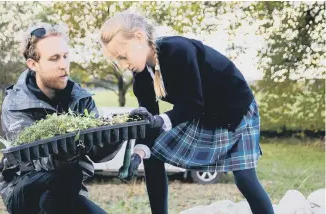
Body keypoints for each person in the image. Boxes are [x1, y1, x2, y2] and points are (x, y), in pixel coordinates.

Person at [99, 11, 274, 214]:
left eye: (122, 56)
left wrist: (159, 121)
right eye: (117, 61)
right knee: (152, 155)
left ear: (138, 37)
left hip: (237, 111)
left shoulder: (177, 51)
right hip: (205, 114)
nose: (122, 65)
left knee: (245, 179)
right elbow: (150, 118)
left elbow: (192, 104)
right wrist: (138, 153)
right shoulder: (141, 75)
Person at [0, 22, 121, 214]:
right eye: (54, 59)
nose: (63, 65)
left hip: (68, 189)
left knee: (69, 178)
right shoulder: (15, 104)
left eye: (65, 56)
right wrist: (67, 146)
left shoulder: (81, 98)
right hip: (24, 191)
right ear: (33, 64)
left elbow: (98, 152)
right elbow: (35, 160)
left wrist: (117, 132)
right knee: (67, 174)